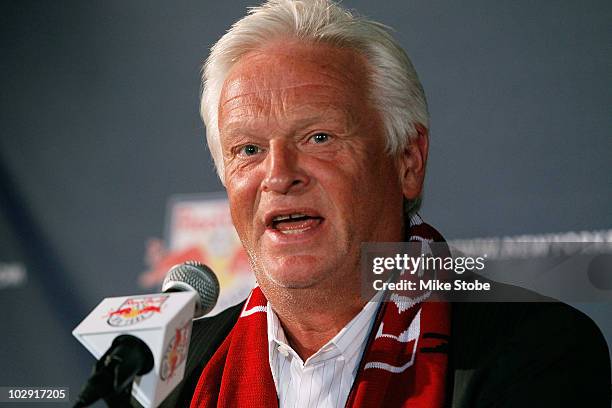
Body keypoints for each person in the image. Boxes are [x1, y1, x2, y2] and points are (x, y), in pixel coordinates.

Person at [143, 1, 610, 406]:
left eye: (319, 137)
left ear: (407, 161)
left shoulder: (533, 349)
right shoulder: (171, 372)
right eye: (248, 150)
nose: (280, 175)